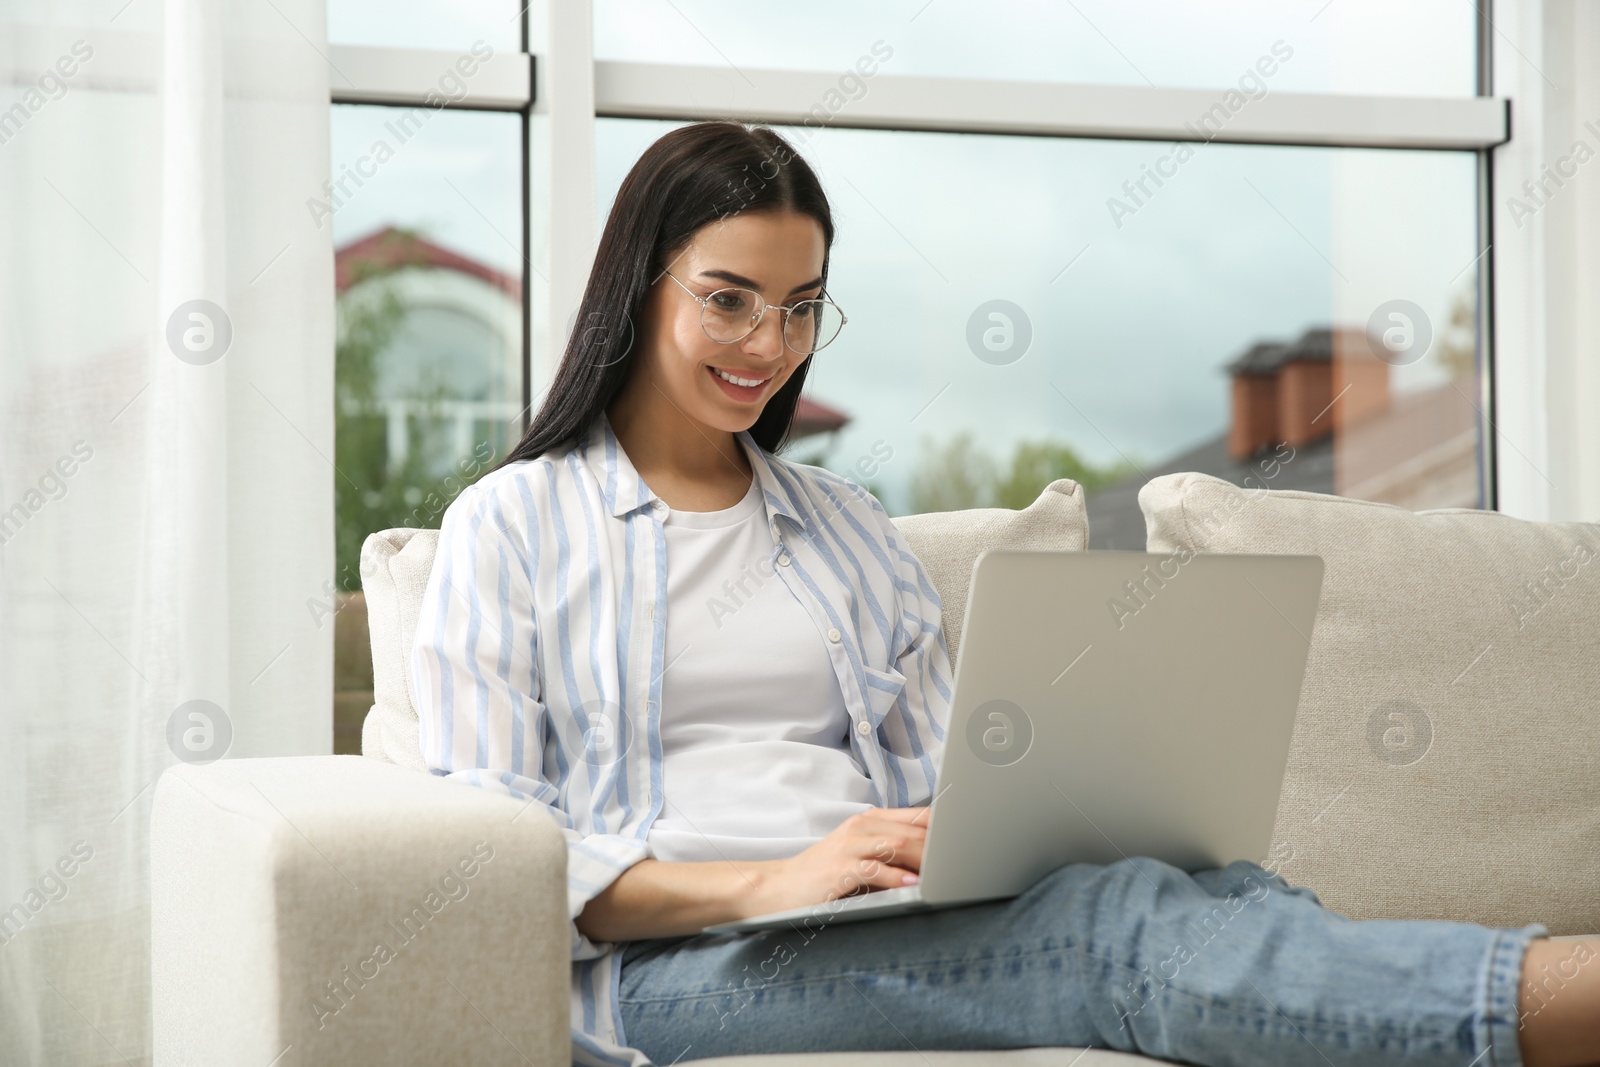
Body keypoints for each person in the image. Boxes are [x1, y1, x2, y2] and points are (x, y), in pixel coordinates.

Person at [409, 120, 1600, 1067]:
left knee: (1202, 889)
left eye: (801, 306)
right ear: (639, 284)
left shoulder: (841, 529)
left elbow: (948, 778)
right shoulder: (510, 527)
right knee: (1111, 932)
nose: (767, 344)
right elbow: (495, 864)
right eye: (727, 298)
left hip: (878, 916)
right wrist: (779, 877)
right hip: (675, 972)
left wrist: (1011, 827)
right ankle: (1555, 1006)